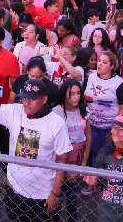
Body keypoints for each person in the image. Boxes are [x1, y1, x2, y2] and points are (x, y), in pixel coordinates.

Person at [0, 78, 73, 222]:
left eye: (32, 99)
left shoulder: (56, 123)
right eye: (24, 98)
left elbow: (62, 160)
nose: (26, 103)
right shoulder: (15, 111)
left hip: (43, 194)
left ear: (44, 99)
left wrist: (55, 193)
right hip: (14, 189)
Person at [83, 114, 123, 221]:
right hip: (107, 211)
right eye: (114, 127)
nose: (115, 132)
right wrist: (94, 181)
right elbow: (99, 178)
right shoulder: (104, 152)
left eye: (120, 129)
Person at [85, 51, 123, 163]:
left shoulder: (119, 84)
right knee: (94, 155)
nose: (99, 64)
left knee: (107, 157)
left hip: (109, 128)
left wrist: (115, 130)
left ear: (112, 66)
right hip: (91, 125)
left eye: (104, 62)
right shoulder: (91, 77)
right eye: (99, 61)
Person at [53, 79, 90, 217]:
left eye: (78, 93)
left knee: (73, 194)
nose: (76, 97)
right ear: (64, 94)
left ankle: (72, 218)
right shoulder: (56, 112)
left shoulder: (84, 110)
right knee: (58, 192)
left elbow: (88, 135)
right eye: (71, 93)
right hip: (61, 157)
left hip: (78, 156)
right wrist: (63, 167)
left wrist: (84, 161)